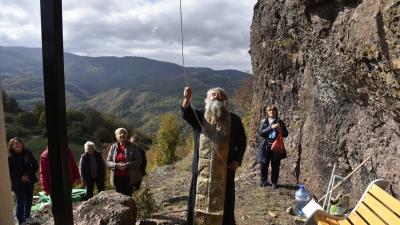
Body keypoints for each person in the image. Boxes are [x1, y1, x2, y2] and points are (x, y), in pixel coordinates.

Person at [182, 86, 246, 225]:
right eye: (213, 95)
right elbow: (186, 113)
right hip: (201, 171)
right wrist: (187, 99)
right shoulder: (199, 117)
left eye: (220, 95)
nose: (217, 96)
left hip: (225, 170)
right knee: (197, 202)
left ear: (225, 101)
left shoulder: (234, 120)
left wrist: (236, 160)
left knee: (225, 204)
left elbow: (242, 142)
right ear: (208, 100)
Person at [7, 137, 39, 224]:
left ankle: (27, 216)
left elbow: (35, 165)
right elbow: (9, 172)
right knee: (20, 201)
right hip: (17, 183)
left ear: (22, 144)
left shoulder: (27, 153)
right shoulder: (10, 157)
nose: (18, 145)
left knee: (29, 199)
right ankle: (21, 220)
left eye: (20, 143)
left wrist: (27, 175)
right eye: (16, 143)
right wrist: (21, 177)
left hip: (29, 180)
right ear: (12, 146)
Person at [256, 105, 288, 189]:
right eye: (269, 111)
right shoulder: (264, 121)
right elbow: (261, 133)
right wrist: (271, 127)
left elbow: (285, 134)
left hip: (276, 147)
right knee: (263, 165)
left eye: (273, 111)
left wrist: (280, 130)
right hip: (265, 146)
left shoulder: (279, 121)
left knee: (275, 165)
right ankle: (263, 181)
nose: (271, 112)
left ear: (276, 112)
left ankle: (274, 182)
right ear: (267, 112)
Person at [107, 128, 142, 196]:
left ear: (127, 135)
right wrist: (116, 165)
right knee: (119, 196)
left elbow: (139, 161)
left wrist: (127, 165)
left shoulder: (133, 146)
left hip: (131, 178)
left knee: (130, 196)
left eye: (124, 133)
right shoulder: (113, 147)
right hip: (117, 178)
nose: (122, 134)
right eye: (120, 133)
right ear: (116, 136)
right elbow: (108, 162)